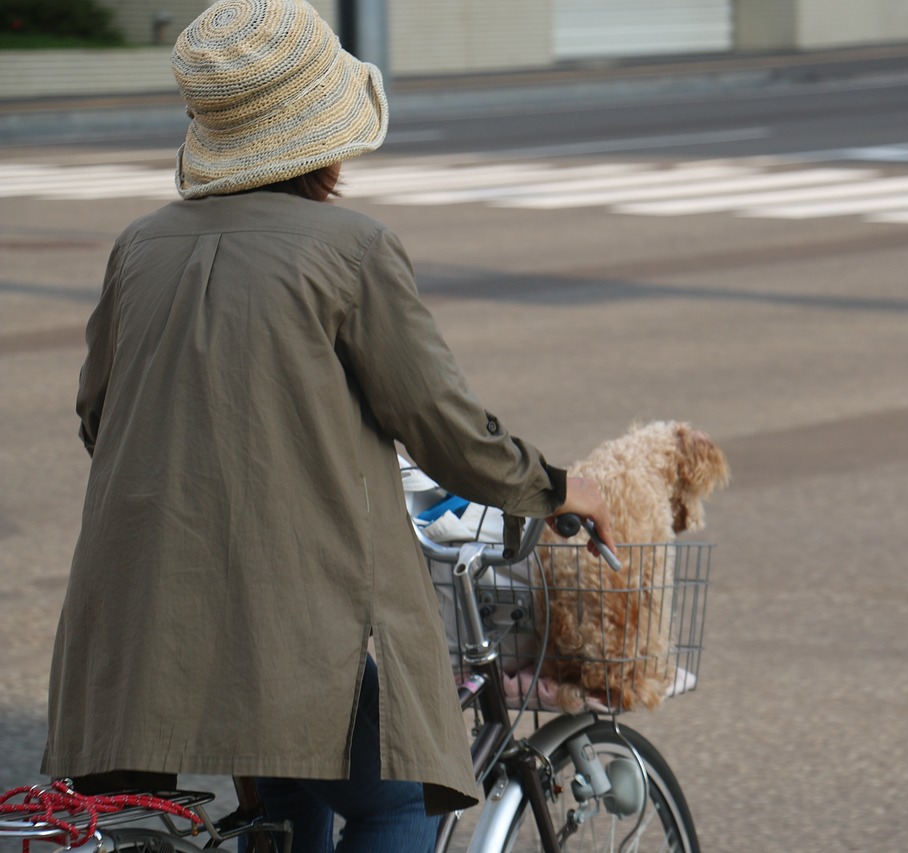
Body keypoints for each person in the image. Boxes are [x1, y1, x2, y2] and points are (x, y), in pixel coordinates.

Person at [40, 1, 615, 850]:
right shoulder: (352, 249)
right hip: (294, 618)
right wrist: (561, 485)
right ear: (324, 131)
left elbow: (101, 417)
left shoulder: (140, 246)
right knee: (396, 800)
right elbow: (444, 429)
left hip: (129, 626)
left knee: (276, 797)